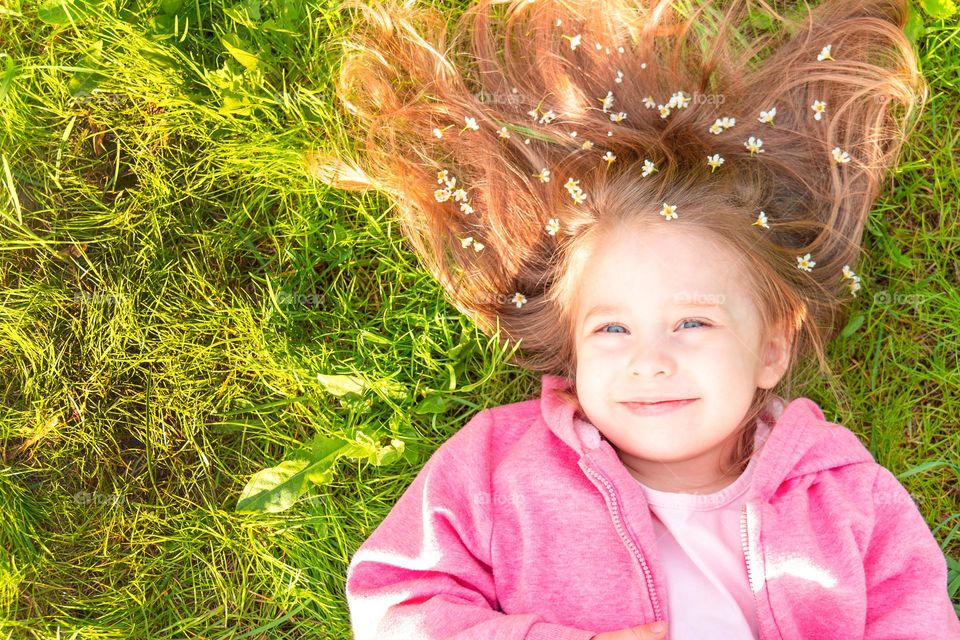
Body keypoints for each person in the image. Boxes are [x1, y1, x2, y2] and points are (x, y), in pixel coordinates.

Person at [313, 0, 960, 637]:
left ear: (772, 346)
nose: (650, 360)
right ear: (571, 346)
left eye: (693, 324)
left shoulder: (845, 494)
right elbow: (398, 599)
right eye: (612, 329)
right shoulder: (497, 468)